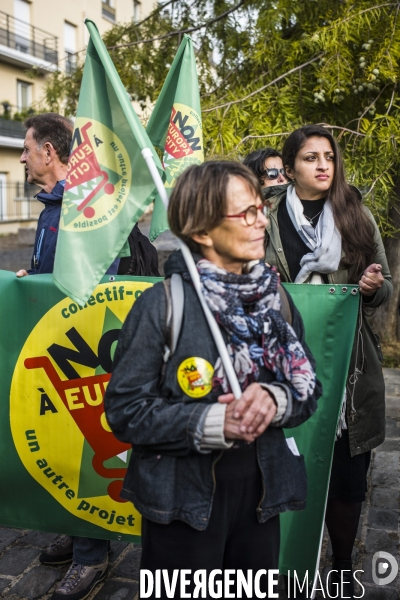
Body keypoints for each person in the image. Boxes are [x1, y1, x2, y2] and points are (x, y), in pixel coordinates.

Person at [104, 161, 322, 599]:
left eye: (261, 208)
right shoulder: (162, 307)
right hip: (183, 506)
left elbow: (308, 389)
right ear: (202, 232)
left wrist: (276, 399)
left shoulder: (273, 300)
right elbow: (125, 412)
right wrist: (210, 423)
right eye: (246, 214)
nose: (262, 221)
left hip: (261, 500)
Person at [264, 124, 393, 598]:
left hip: (349, 369)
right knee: (284, 465)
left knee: (344, 478)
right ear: (291, 166)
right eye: (310, 158)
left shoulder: (355, 215)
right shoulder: (267, 218)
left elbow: (387, 288)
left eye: (329, 158)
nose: (322, 166)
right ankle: (286, 565)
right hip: (283, 364)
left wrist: (375, 288)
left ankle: (341, 566)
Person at [16, 112, 116, 600]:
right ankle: (75, 526)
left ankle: (92, 556)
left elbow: (100, 282)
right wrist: (29, 279)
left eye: (27, 148)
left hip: (82, 352)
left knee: (83, 446)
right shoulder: (49, 209)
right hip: (53, 345)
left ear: (49, 153)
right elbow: (50, 274)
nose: (21, 156)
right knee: (57, 441)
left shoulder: (87, 207)